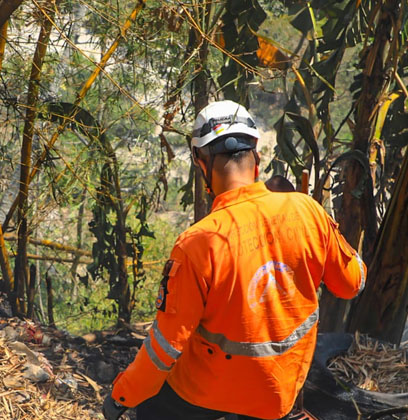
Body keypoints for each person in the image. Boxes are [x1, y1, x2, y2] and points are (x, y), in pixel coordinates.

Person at [103, 101, 366, 420]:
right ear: (256, 157)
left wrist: (121, 396)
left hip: (209, 393)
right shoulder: (306, 210)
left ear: (202, 164)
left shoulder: (199, 243)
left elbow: (166, 346)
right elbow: (352, 284)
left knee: (151, 409)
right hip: (280, 393)